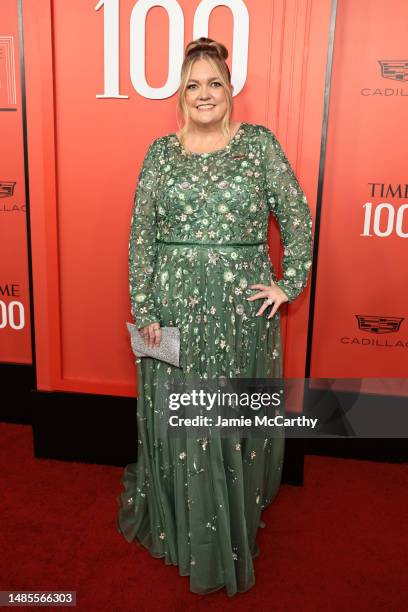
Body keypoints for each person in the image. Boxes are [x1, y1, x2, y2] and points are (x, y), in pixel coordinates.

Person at [117, 37, 313, 596]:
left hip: (238, 316)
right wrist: (145, 309)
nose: (205, 94)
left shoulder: (259, 145)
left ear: (231, 91)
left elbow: (296, 214)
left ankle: (230, 528)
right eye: (193, 85)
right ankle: (183, 525)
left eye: (215, 84)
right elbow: (141, 238)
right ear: (181, 95)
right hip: (172, 310)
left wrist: (288, 283)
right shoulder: (160, 153)